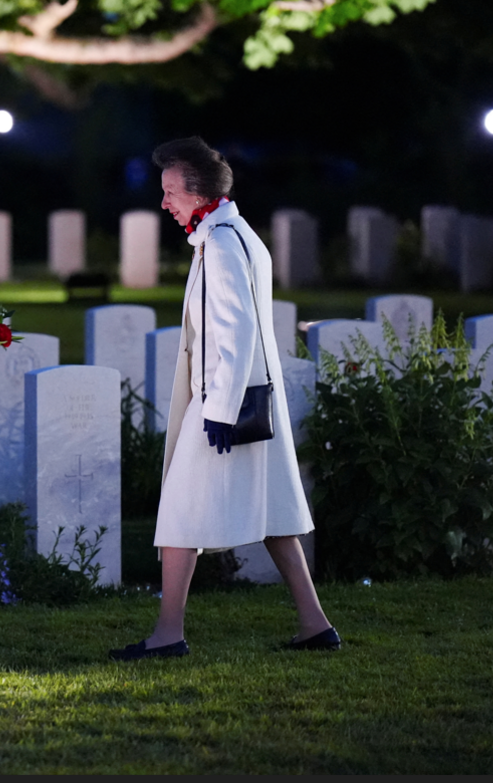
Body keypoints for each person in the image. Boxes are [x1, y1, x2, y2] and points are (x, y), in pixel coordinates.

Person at [110, 136, 340, 661]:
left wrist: (218, 410)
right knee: (272, 515)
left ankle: (168, 634)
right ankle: (314, 623)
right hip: (247, 400)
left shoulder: (222, 242)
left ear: (199, 193)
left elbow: (235, 332)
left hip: (225, 405)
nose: (164, 202)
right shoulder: (234, 234)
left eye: (171, 192)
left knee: (179, 513)